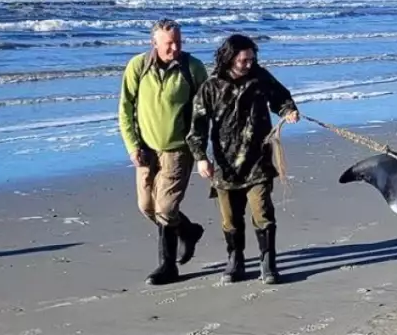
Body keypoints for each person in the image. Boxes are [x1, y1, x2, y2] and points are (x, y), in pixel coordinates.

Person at [187, 33, 300, 284]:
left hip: (258, 160)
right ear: (229, 59)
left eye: (252, 59)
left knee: (262, 212)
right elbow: (197, 125)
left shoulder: (260, 77)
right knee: (230, 218)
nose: (249, 64)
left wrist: (288, 110)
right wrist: (201, 158)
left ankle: (268, 263)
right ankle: (235, 260)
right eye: (244, 60)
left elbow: (280, 97)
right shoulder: (211, 86)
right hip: (225, 165)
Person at [117, 18, 209, 285]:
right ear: (154, 43)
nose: (174, 48)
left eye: (178, 42)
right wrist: (132, 145)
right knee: (147, 207)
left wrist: (200, 149)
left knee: (166, 208)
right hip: (146, 150)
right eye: (169, 43)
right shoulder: (138, 66)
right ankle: (189, 231)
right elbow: (125, 109)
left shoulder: (193, 68)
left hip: (178, 149)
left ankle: (167, 266)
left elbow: (204, 111)